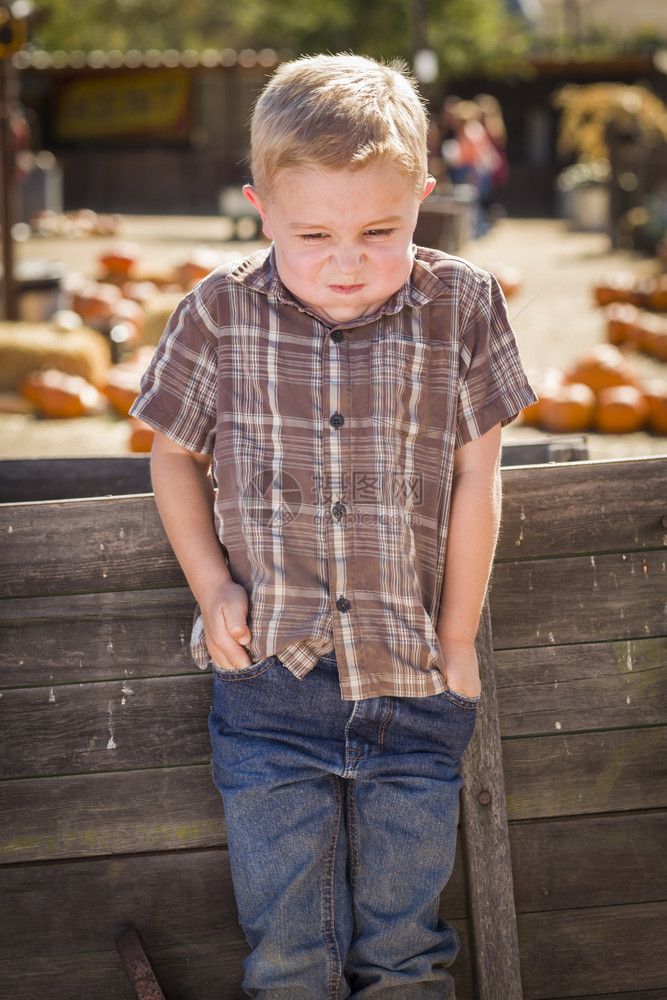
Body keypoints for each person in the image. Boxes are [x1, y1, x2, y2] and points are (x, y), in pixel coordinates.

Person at [130, 53, 536, 999]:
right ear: (257, 208)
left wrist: (460, 638)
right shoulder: (218, 312)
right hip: (270, 684)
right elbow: (170, 454)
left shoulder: (462, 306)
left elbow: (480, 471)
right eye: (311, 233)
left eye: (379, 230)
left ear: (424, 201)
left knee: (404, 952)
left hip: (417, 682)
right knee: (286, 956)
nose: (346, 260)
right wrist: (212, 586)